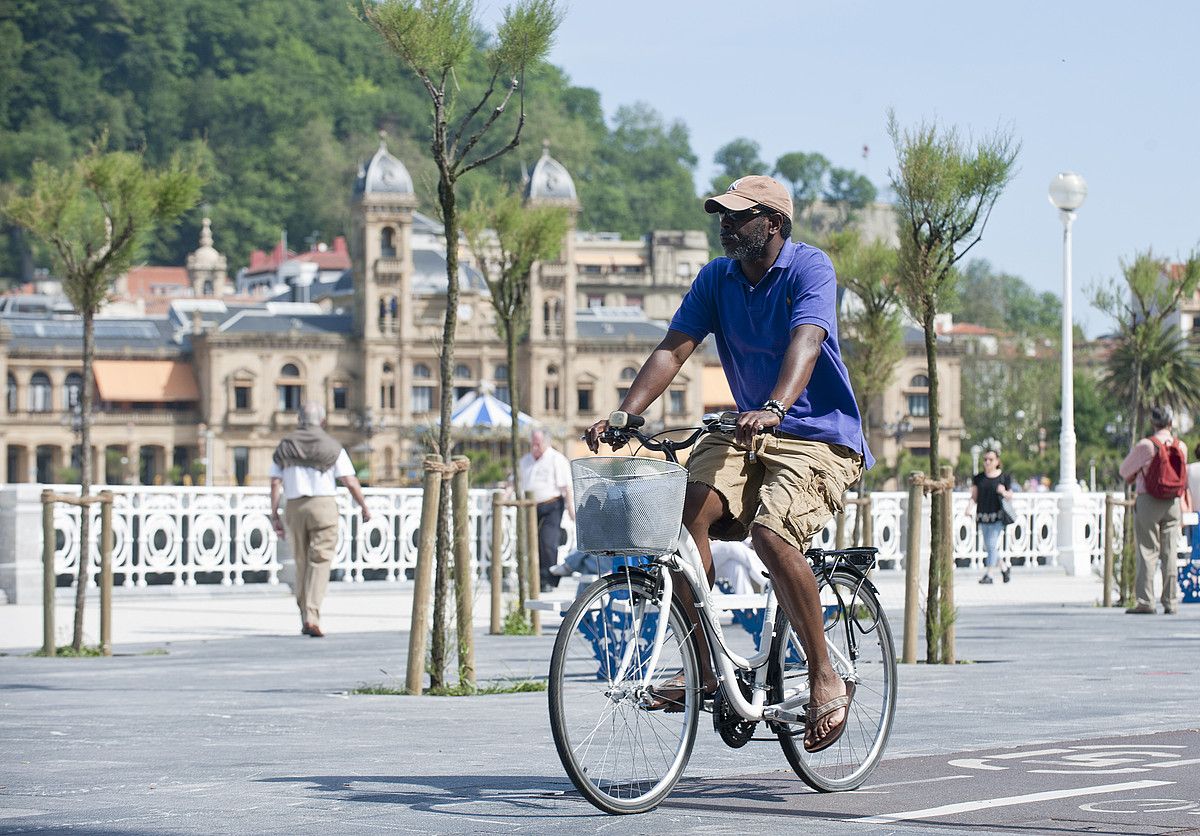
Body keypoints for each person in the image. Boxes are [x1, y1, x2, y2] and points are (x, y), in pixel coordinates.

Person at [586, 174, 873, 753]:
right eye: (721, 214)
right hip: (746, 431)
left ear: (773, 223)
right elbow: (674, 347)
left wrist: (774, 406)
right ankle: (707, 669)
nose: (725, 224)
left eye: (738, 216)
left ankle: (823, 672)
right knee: (684, 514)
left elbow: (809, 339)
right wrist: (623, 415)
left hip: (818, 436)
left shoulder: (809, 268)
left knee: (771, 532)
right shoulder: (717, 278)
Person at [269, 401, 371, 637]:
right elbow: (349, 481)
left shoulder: (285, 446)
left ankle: (304, 613)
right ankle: (312, 614)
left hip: (294, 506)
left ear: (299, 420)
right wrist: (363, 506)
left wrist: (274, 514)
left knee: (301, 561)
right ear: (322, 421)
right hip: (323, 505)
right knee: (320, 560)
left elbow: (275, 482)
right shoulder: (332, 446)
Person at [1118, 405, 1187, 614]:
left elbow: (1123, 471)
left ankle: (1146, 601)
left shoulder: (1146, 445)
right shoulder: (1181, 446)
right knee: (1170, 551)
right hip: (1173, 502)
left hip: (1148, 500)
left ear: (1152, 422)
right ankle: (1171, 601)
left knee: (1147, 550)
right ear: (1171, 423)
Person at [518, 429, 574, 592]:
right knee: (531, 543)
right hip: (530, 506)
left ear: (546, 443)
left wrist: (571, 510)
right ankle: (534, 578)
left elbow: (566, 487)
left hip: (552, 505)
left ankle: (548, 580)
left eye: (538, 444)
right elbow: (517, 481)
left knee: (548, 542)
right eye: (533, 444)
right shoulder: (525, 460)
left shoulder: (557, 459)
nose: (535, 447)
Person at [971, 449, 1013, 584]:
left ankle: (989, 574)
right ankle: (1004, 568)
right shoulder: (979, 478)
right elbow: (974, 497)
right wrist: (968, 508)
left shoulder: (1004, 477)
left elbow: (1010, 496)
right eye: (985, 459)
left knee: (991, 544)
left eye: (990, 459)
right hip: (983, 516)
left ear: (997, 461)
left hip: (997, 516)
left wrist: (1004, 492)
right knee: (990, 547)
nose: (987, 462)